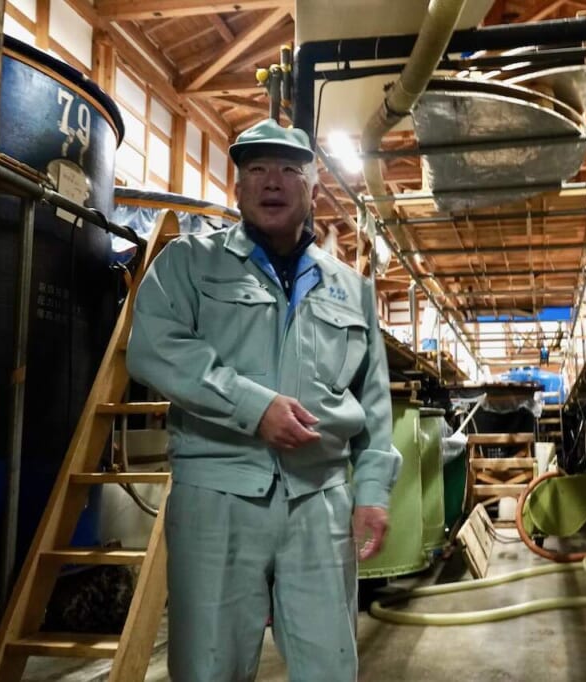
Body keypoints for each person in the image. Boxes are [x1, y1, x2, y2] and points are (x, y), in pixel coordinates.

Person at [126, 118, 399, 682]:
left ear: (312, 189)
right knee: (209, 666)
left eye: (287, 171)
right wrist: (253, 407)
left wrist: (371, 492)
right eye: (255, 170)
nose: (271, 182)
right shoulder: (186, 265)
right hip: (217, 498)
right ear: (238, 187)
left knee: (330, 665)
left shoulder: (352, 290)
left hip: (320, 499)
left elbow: (373, 404)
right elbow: (154, 349)